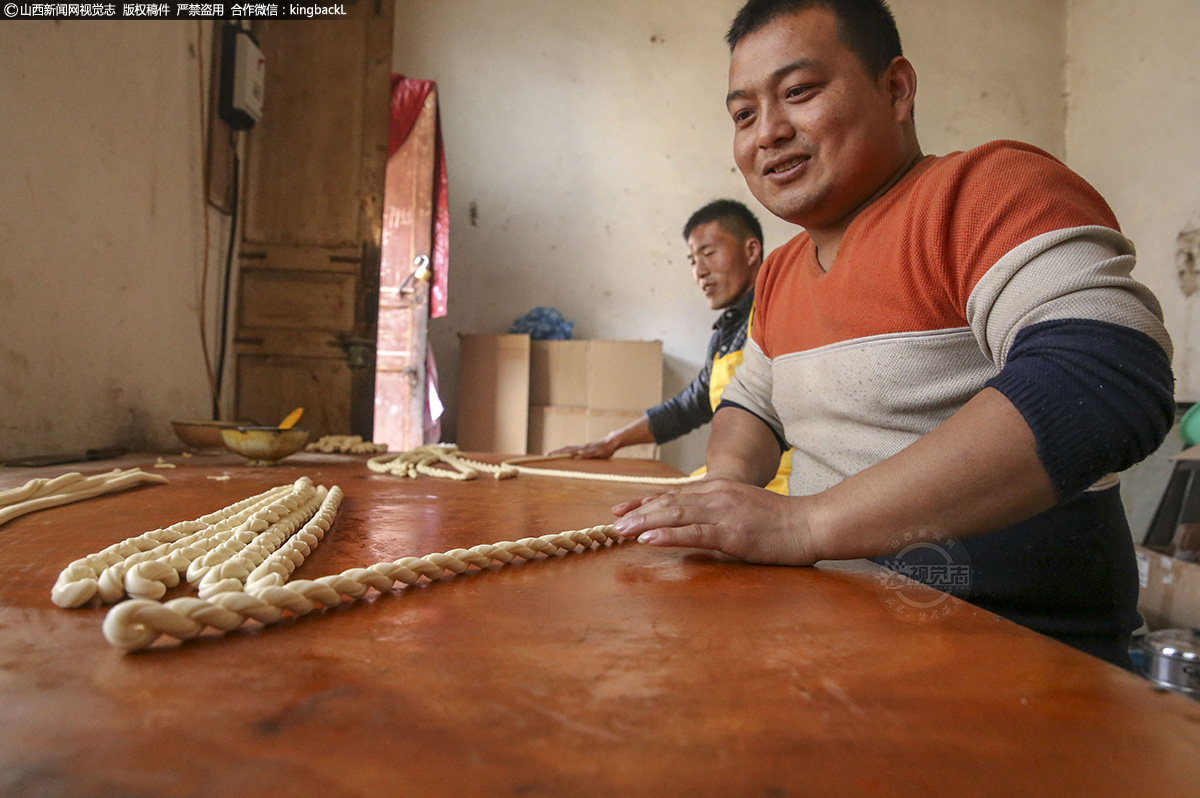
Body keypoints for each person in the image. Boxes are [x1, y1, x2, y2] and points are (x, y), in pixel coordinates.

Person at [612, 0, 1174, 667]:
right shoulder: (785, 271)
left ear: (896, 89)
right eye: (743, 115)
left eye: (798, 92)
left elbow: (1105, 379)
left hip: (1014, 649)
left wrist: (804, 524)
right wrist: (727, 485)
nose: (768, 132)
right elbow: (752, 403)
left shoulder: (982, 192)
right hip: (836, 631)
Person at [551, 199, 792, 494]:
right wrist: (613, 441)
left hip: (783, 489)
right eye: (692, 260)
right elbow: (692, 404)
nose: (699, 271)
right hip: (734, 485)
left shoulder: (781, 310)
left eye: (709, 253)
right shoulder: (725, 333)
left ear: (751, 250)